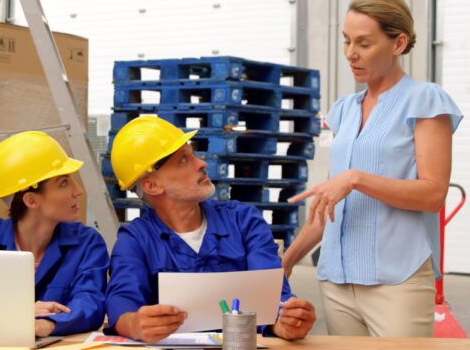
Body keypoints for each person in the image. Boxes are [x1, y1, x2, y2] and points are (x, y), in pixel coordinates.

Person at [282, 0, 463, 337]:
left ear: (398, 43)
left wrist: (355, 178)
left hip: (397, 281)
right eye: (347, 41)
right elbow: (330, 203)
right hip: (336, 280)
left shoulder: (425, 100)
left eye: (364, 43)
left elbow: (432, 194)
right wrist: (286, 262)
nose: (351, 53)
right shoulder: (344, 110)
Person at [105, 116, 316, 343]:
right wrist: (135, 324)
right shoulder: (135, 240)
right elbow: (122, 302)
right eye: (184, 160)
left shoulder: (244, 221)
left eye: (193, 154)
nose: (201, 163)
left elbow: (274, 299)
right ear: (152, 186)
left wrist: (285, 321)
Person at [0, 131, 109, 337]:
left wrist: (47, 324)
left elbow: (90, 305)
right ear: (31, 200)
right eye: (63, 183)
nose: (78, 190)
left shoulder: (87, 243)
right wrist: (19, 314)